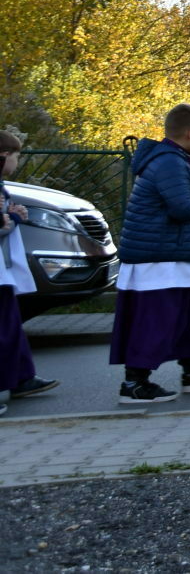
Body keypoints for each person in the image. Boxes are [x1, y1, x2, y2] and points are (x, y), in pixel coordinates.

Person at [109, 105, 190, 404]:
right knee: (156, 320)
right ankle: (135, 383)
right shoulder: (170, 163)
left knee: (189, 317)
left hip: (168, 254)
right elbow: (181, 209)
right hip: (160, 259)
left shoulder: (169, 159)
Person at [1, 132, 58, 413]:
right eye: (17, 156)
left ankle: (22, 377)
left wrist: (12, 216)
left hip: (4, 271)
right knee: (5, 327)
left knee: (10, 325)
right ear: (4, 156)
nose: (18, 162)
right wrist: (13, 217)